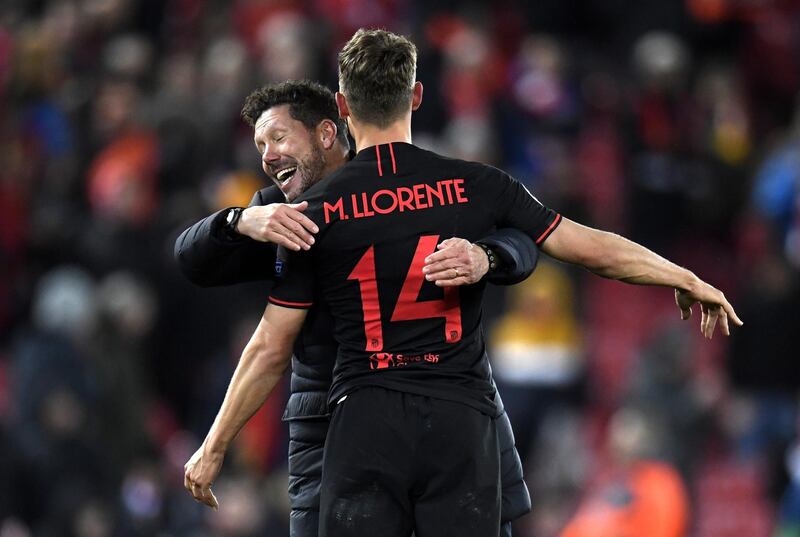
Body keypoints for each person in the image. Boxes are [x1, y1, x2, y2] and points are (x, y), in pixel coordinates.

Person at [184, 29, 742, 537]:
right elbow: (589, 247)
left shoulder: (313, 211)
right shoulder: (475, 185)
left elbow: (271, 345)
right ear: (417, 97)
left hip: (364, 417)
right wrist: (683, 275)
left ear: (344, 107)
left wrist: (214, 446)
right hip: (459, 418)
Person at [175, 80, 540, 536]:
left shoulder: (413, 187)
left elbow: (523, 238)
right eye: (260, 145)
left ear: (327, 133)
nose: (267, 156)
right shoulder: (280, 215)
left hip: (441, 408)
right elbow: (192, 261)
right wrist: (238, 220)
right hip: (328, 422)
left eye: (279, 138)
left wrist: (488, 256)